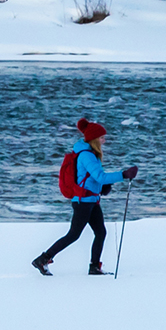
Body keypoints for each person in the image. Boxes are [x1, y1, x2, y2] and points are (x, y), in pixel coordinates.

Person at [32, 116, 138, 276]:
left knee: (101, 233)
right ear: (94, 139)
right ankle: (43, 259)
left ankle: (94, 267)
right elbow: (100, 176)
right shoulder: (86, 155)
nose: (104, 140)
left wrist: (101, 187)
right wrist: (123, 175)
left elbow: (92, 178)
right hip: (83, 202)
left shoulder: (90, 154)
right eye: (101, 138)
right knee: (73, 234)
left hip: (91, 200)